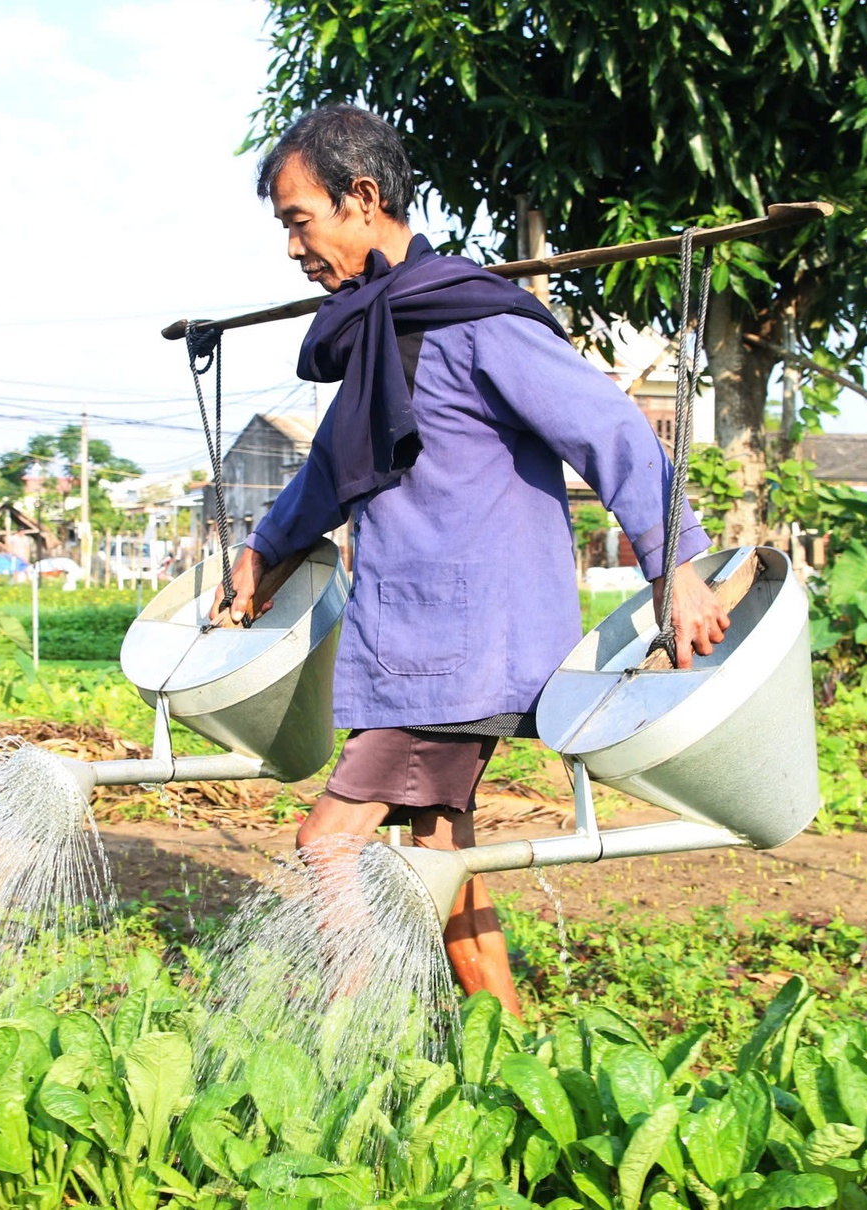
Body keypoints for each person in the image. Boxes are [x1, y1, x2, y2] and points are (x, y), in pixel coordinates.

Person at [217, 105, 732, 1017]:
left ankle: (356, 1033)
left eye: (300, 221)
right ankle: (506, 1031)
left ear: (361, 199)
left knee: (329, 842)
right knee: (439, 847)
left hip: (462, 650)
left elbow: (609, 427)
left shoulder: (475, 318)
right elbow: (333, 468)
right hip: (420, 643)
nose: (292, 248)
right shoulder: (386, 330)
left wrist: (676, 563)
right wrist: (263, 548)